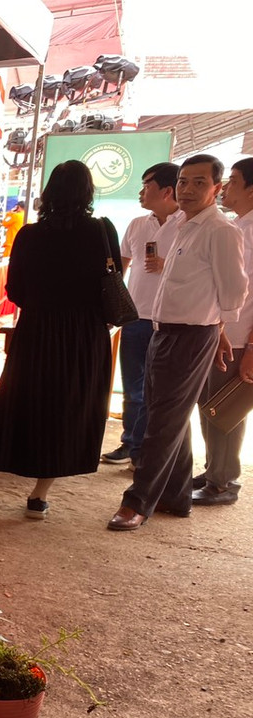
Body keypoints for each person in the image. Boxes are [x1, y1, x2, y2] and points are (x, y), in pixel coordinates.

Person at [108, 155, 247, 531]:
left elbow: (235, 291)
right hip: (162, 330)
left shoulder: (220, 230)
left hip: (192, 335)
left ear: (216, 188)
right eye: (184, 181)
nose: (188, 189)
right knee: (167, 417)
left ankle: (136, 503)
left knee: (162, 421)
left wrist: (219, 331)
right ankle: (176, 495)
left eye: (199, 182)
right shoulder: (185, 226)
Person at [0, 160, 116, 519]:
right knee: (68, 410)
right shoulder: (101, 231)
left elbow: (15, 290)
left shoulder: (29, 235)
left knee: (13, 403)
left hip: (37, 331)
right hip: (85, 336)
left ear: (49, 191)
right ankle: (38, 497)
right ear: (88, 192)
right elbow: (111, 282)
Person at [103, 162, 181, 466]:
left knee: (158, 391)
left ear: (166, 190)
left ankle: (149, 451)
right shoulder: (137, 224)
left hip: (169, 321)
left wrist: (168, 267)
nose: (140, 192)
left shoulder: (188, 225)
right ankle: (130, 444)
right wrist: (113, 308)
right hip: (134, 318)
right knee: (133, 387)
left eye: (146, 185)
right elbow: (119, 269)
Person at [193, 156, 253, 505]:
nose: (225, 187)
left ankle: (224, 482)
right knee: (210, 407)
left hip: (239, 338)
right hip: (218, 333)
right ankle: (214, 469)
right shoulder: (235, 226)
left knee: (226, 410)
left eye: (232, 180)